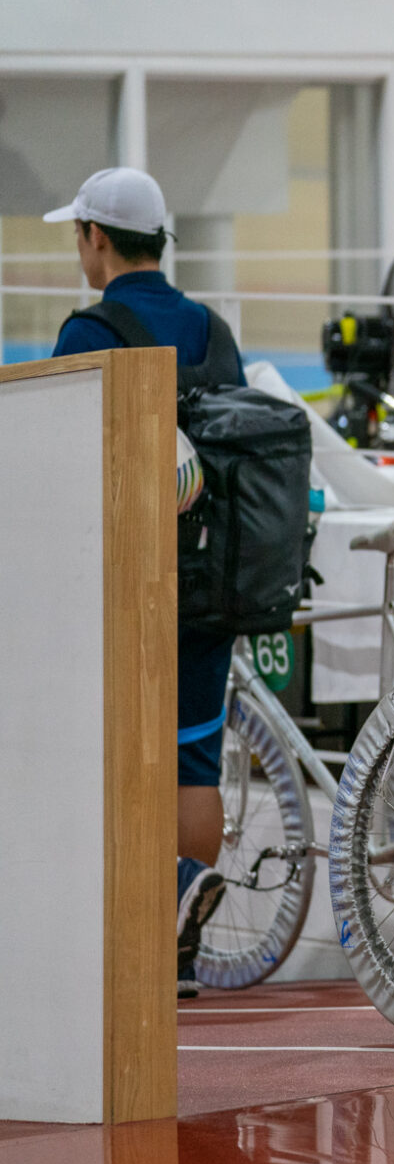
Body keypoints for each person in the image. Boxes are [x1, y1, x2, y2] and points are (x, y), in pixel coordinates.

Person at [46, 167, 236, 998]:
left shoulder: (89, 333)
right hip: (212, 581)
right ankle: (179, 929)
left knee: (106, 756)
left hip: (124, 577)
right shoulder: (212, 331)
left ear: (95, 238)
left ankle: (117, 938)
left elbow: (53, 461)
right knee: (193, 763)